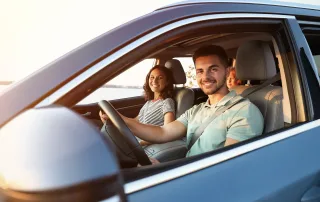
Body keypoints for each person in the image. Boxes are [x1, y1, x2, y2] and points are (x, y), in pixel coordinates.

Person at [112, 45, 264, 163]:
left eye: (213, 69)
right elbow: (163, 132)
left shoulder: (244, 112)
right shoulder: (196, 110)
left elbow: (228, 168)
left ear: (227, 71)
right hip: (190, 171)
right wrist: (121, 119)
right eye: (200, 71)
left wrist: (169, 175)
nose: (205, 77)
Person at [99, 65, 176, 145]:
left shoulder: (167, 102)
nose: (155, 81)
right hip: (135, 139)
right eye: (152, 77)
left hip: (144, 144)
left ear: (167, 82)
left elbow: (168, 131)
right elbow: (135, 121)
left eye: (160, 78)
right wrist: (111, 119)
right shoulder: (148, 103)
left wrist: (141, 143)